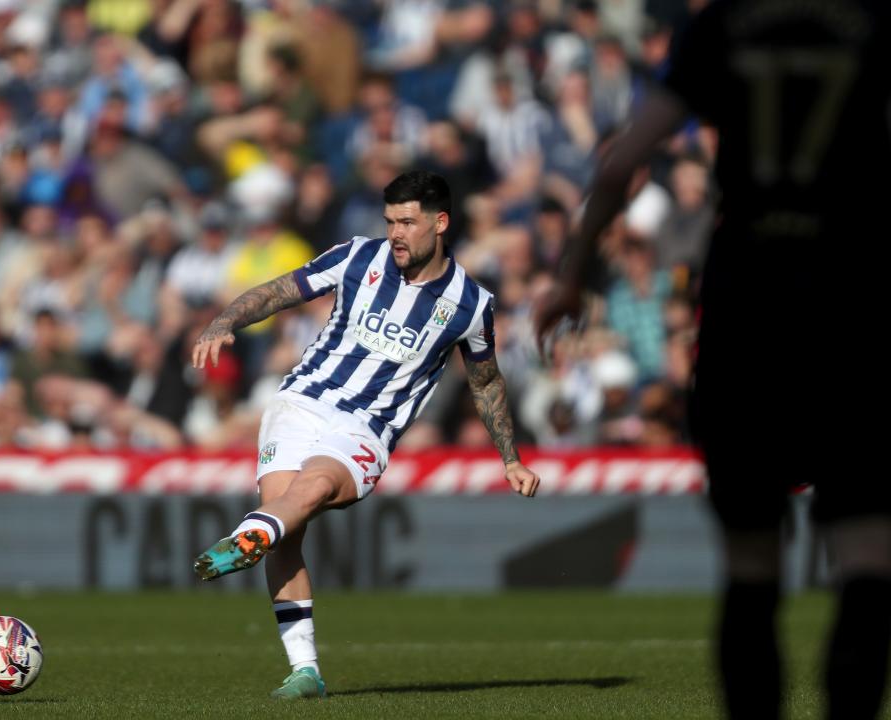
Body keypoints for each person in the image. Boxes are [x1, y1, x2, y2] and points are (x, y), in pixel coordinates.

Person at [535, 1, 891, 719]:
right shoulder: (872, 20)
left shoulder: (724, 24)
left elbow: (625, 161)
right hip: (850, 298)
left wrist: (571, 273)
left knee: (751, 564)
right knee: (867, 555)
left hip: (749, 301)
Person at [191, 170, 540, 699]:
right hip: (301, 401)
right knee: (287, 522)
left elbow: (486, 381)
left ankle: (248, 536)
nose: (395, 232)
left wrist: (510, 458)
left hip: (367, 428)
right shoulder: (358, 256)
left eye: (407, 221)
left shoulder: (471, 305)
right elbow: (283, 290)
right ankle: (304, 669)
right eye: (390, 221)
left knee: (310, 492)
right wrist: (225, 321)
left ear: (440, 223)